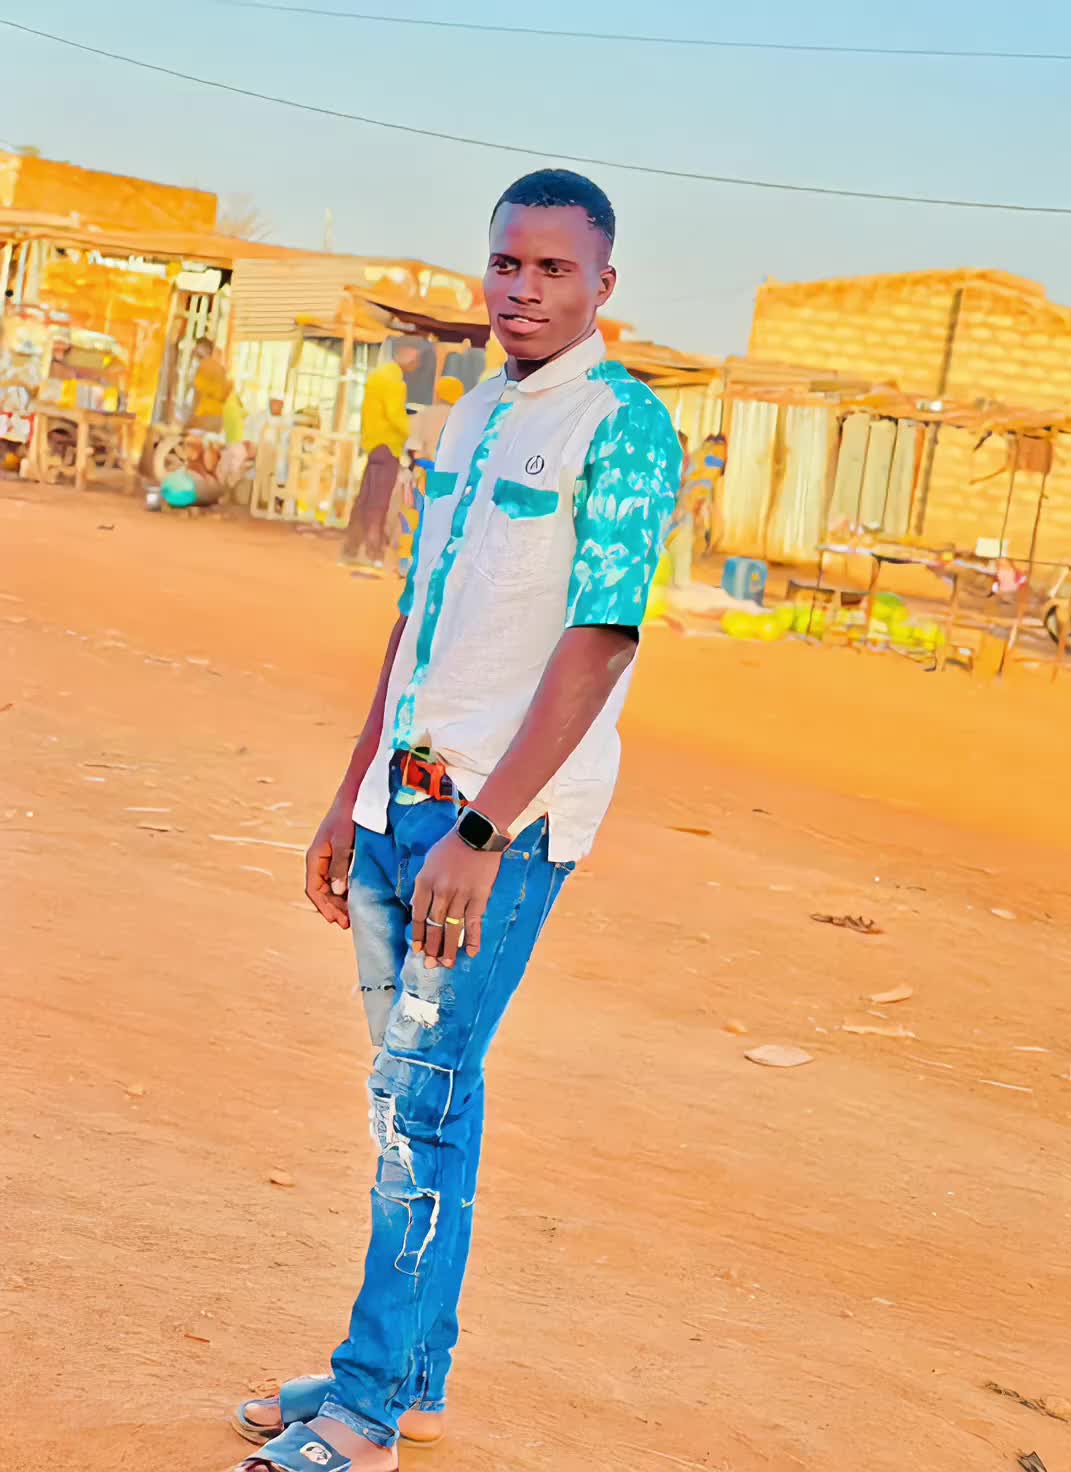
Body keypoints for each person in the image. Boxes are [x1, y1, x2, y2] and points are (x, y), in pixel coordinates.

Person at [226, 169, 681, 1472]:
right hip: (398, 808)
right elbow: (414, 616)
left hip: (492, 834)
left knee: (415, 1109)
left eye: (553, 269)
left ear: (602, 283)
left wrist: (482, 836)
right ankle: (409, 1378)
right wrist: (350, 792)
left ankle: (364, 1413)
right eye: (506, 263)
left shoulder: (623, 426)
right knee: (422, 1097)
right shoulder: (472, 412)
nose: (522, 289)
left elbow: (600, 641)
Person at [342, 342, 421, 569]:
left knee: (365, 499)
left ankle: (350, 549)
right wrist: (413, 434)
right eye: (416, 359)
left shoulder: (378, 376)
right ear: (407, 355)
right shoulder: (395, 382)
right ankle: (373, 552)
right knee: (379, 502)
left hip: (374, 444)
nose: (417, 365)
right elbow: (395, 415)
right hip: (389, 446)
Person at [397, 375, 465, 577]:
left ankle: (406, 562)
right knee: (440, 522)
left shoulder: (425, 414)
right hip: (448, 475)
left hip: (424, 471)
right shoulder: (462, 419)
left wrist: (412, 469)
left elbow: (413, 447)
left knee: (415, 517)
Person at [666, 431, 727, 588]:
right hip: (676, 513)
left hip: (681, 513)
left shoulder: (694, 462)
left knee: (682, 543)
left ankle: (678, 580)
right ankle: (677, 580)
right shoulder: (690, 462)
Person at [189, 338, 231, 433]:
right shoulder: (220, 368)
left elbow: (198, 393)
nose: (195, 350)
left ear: (206, 349)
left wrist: (192, 416)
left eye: (197, 347)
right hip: (219, 416)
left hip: (205, 415)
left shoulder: (204, 366)